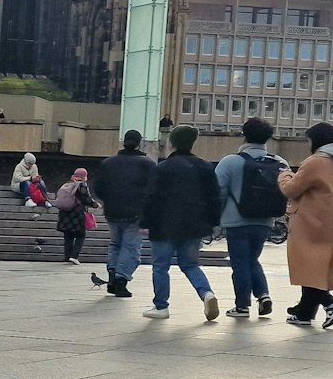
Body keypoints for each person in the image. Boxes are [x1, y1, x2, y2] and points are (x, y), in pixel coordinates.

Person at [277, 122, 333, 328]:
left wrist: (284, 175)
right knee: (316, 268)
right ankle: (305, 313)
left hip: (308, 222)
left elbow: (291, 190)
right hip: (331, 223)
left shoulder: (316, 161)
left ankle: (331, 304)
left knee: (307, 268)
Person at [139, 125, 220, 322]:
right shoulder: (205, 167)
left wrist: (145, 221)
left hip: (164, 224)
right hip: (194, 224)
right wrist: (213, 222)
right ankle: (206, 293)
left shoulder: (163, 168)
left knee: (160, 266)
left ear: (172, 143)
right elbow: (215, 198)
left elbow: (152, 198)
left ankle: (161, 306)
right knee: (190, 264)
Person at [215, 117, 288, 318]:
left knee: (240, 262)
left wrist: (215, 219)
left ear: (244, 135)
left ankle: (242, 305)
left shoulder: (230, 162)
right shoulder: (280, 162)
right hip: (264, 221)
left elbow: (218, 192)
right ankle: (263, 295)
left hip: (236, 221)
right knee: (252, 259)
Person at [96, 130, 155, 298]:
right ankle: (121, 280)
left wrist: (110, 199)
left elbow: (99, 188)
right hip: (136, 214)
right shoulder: (147, 164)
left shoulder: (107, 163)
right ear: (139, 143)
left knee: (115, 244)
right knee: (131, 246)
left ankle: (112, 274)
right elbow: (154, 190)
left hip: (113, 212)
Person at [52, 167, 97, 260]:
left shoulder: (68, 184)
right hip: (77, 214)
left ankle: (67, 257)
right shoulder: (82, 185)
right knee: (81, 235)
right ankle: (74, 256)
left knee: (68, 236)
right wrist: (95, 204)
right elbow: (86, 198)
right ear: (84, 176)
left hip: (65, 213)